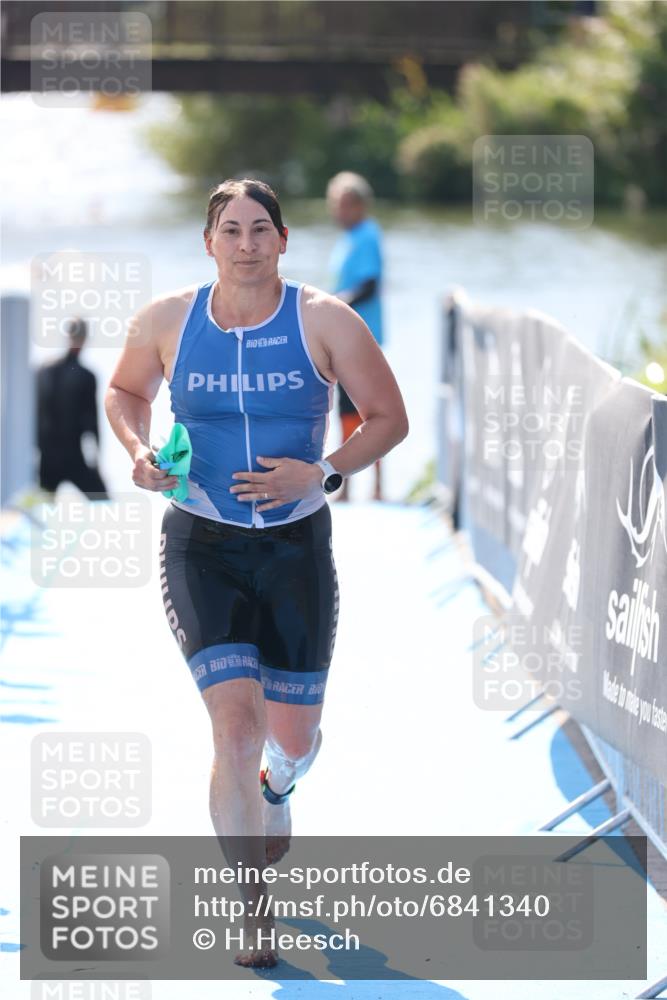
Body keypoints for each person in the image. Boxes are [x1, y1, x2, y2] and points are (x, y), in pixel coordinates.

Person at [105, 178, 408, 968]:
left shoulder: (324, 321)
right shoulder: (167, 320)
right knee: (232, 731)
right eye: (230, 230)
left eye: (259, 230)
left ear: (283, 240)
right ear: (208, 242)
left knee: (290, 739)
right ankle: (252, 912)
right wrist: (139, 452)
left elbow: (388, 416)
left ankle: (282, 786)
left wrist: (325, 473)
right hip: (200, 543)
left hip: (294, 548)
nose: (245, 244)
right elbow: (126, 391)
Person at [327, 171, 385, 501]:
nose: (340, 211)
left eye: (347, 204)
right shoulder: (348, 238)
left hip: (362, 336)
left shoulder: (367, 235)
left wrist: (334, 305)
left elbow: (369, 285)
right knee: (346, 411)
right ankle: (348, 485)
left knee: (368, 411)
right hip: (343, 338)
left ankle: (374, 488)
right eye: (336, 204)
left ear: (362, 206)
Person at [36, 317, 109, 499]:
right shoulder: (86, 376)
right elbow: (92, 421)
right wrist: (97, 457)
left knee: (41, 508)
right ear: (84, 339)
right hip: (71, 454)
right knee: (102, 501)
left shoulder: (44, 370)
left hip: (48, 455)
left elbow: (35, 415)